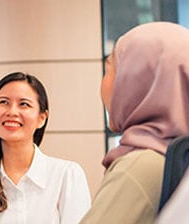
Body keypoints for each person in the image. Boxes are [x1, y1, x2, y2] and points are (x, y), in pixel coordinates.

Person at [79, 21, 189, 224]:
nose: (103, 84)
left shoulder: (140, 168)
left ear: (136, 80)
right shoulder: (178, 159)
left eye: (109, 69)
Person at [0, 72, 91, 224]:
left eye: (24, 104)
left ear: (41, 118)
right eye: (4, 102)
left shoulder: (66, 176)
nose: (12, 112)